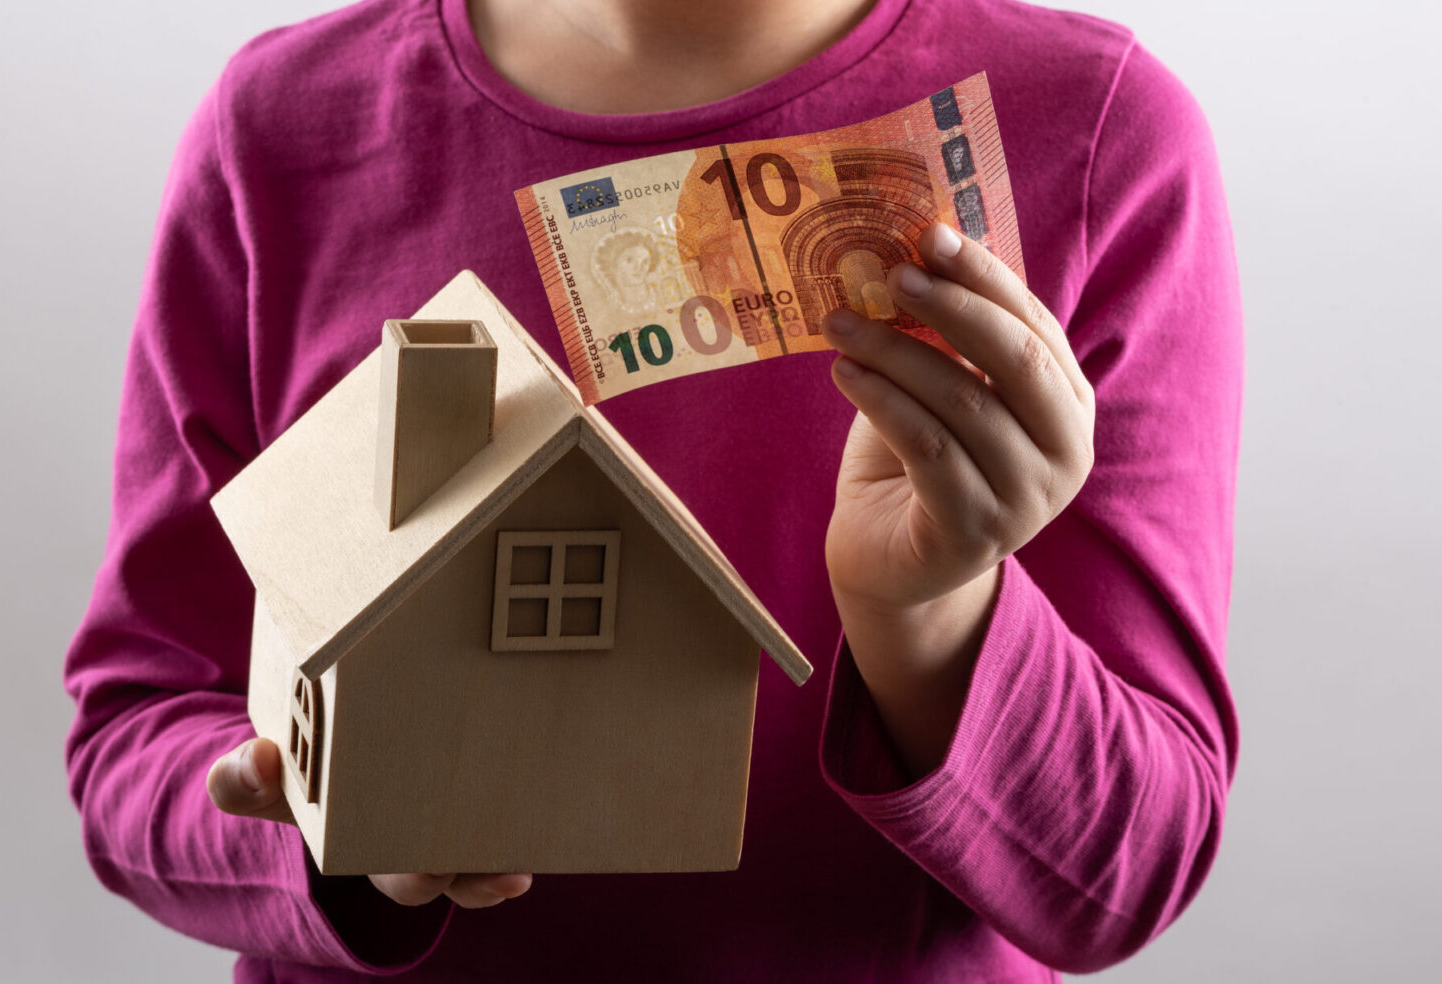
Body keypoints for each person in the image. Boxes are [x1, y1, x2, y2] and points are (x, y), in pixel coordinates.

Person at [63, 0, 1242, 979]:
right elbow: (135, 736)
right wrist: (336, 833)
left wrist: (930, 616)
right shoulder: (278, 128)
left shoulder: (1102, 136)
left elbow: (1126, 873)